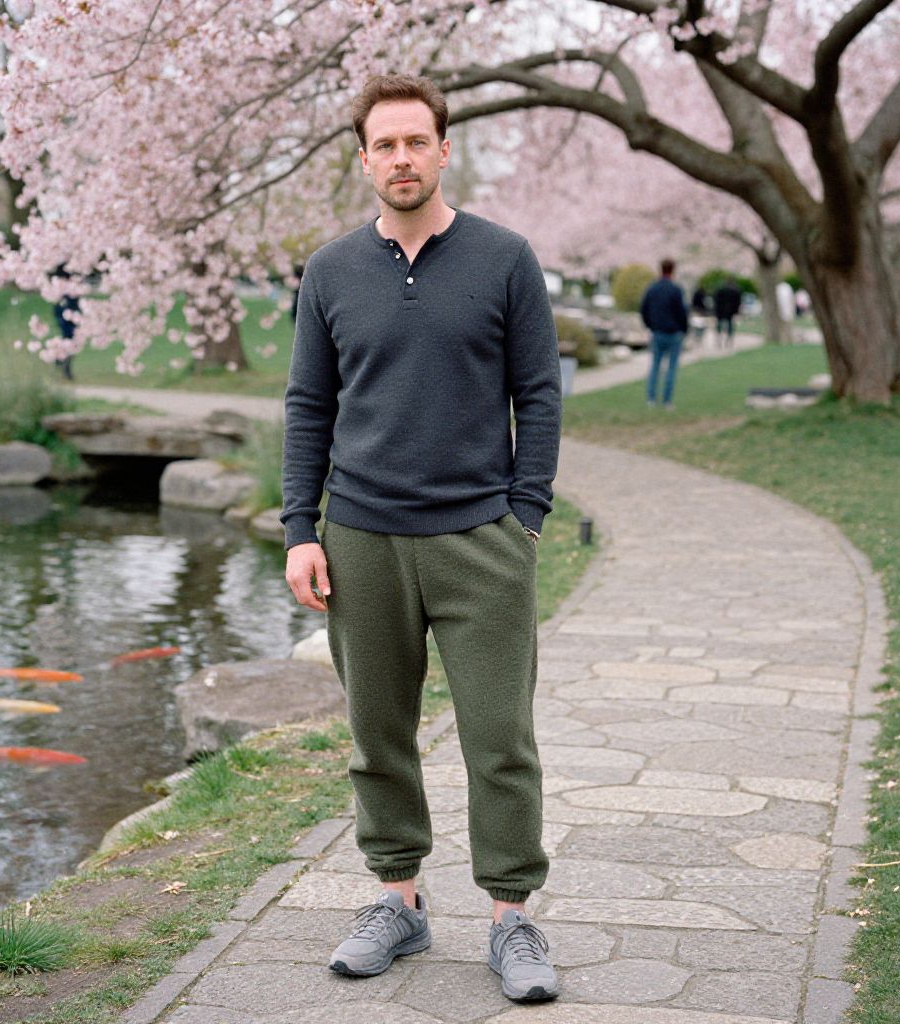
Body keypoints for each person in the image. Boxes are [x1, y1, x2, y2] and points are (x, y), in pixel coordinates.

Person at [280, 73, 562, 1003]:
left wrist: (525, 516)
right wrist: (299, 529)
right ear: (365, 161)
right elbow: (309, 405)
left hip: (481, 538)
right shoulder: (329, 271)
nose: (402, 158)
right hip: (359, 537)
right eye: (384, 145)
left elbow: (541, 394)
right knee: (377, 737)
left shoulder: (505, 259)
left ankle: (512, 917)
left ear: (445, 151)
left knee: (499, 738)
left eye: (417, 142)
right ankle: (396, 900)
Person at [640, 258, 688, 408]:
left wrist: (650, 325)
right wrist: (684, 329)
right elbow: (682, 312)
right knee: (671, 369)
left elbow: (643, 309)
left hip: (658, 332)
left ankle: (651, 399)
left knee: (655, 367)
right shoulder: (676, 290)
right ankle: (667, 401)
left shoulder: (652, 288)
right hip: (673, 333)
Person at [713, 277, 742, 348]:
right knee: (730, 325)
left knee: (720, 324)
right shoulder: (735, 290)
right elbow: (738, 302)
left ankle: (719, 339)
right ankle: (729, 340)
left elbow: (715, 300)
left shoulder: (720, 289)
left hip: (720, 311)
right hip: (730, 311)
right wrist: (737, 311)